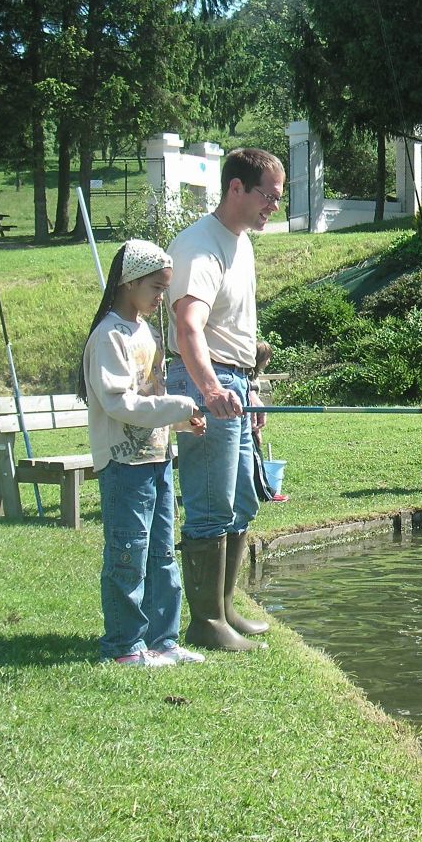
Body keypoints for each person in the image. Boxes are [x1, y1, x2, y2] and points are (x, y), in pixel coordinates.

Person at [165, 147, 285, 652]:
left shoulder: (242, 244)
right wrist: (212, 390)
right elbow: (187, 326)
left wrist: (249, 390)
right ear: (236, 188)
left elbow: (239, 333)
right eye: (269, 196)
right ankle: (206, 623)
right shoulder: (199, 245)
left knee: (240, 500)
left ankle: (225, 607)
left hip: (235, 384)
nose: (274, 206)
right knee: (211, 504)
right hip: (204, 384)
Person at [80, 239, 207, 667]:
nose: (161, 298)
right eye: (156, 288)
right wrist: (177, 408)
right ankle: (123, 647)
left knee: (161, 554)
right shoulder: (108, 337)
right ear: (128, 282)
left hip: (157, 461)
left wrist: (179, 421)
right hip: (123, 466)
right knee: (127, 554)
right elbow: (120, 402)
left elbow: (153, 399)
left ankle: (163, 640)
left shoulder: (148, 334)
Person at [250, 340, 287, 503]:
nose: (269, 361)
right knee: (255, 457)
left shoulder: (253, 376)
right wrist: (256, 429)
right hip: (250, 423)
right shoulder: (249, 377)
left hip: (253, 422)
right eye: (267, 357)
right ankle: (266, 493)